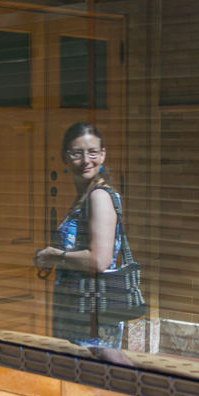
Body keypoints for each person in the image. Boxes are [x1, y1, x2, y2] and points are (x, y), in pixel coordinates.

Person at [34, 122, 131, 364]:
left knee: (101, 375)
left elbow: (99, 260)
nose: (86, 160)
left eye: (92, 152)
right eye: (77, 153)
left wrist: (54, 256)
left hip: (91, 309)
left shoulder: (99, 197)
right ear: (65, 158)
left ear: (103, 155)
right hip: (77, 307)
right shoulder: (87, 196)